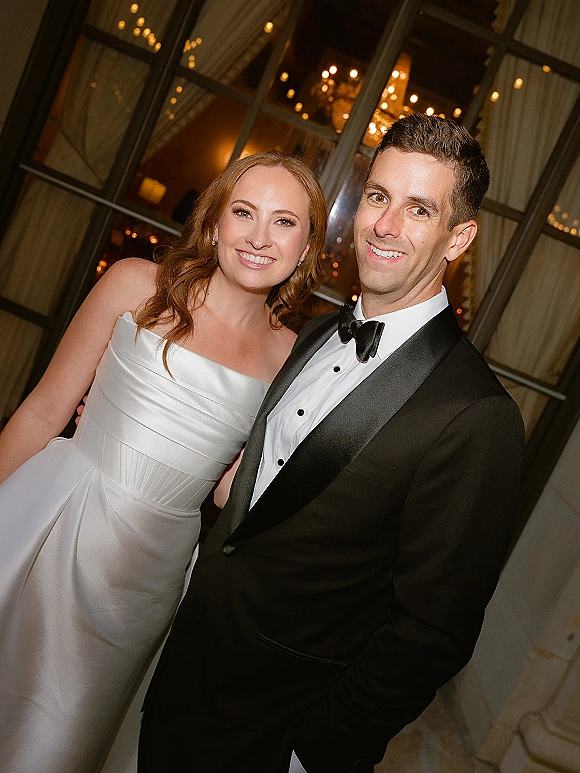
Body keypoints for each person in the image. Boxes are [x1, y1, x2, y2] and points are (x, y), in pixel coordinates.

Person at [138, 114, 525, 773]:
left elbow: (432, 632)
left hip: (276, 729)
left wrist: (314, 750)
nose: (384, 224)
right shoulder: (315, 332)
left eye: (418, 208)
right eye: (377, 196)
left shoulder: (474, 414)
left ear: (458, 237)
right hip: (184, 674)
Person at [0, 150, 327, 773]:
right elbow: (44, 412)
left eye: (284, 222)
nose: (260, 238)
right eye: (244, 212)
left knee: (65, 736)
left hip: (152, 576)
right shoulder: (134, 284)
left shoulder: (294, 358)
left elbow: (234, 494)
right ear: (214, 222)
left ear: (308, 243)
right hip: (55, 521)